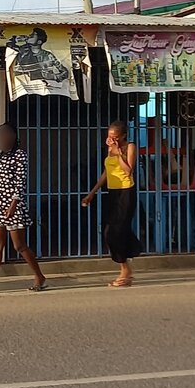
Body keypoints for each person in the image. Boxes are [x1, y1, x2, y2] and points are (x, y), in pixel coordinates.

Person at [0, 123, 47, 294]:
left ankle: (40, 276)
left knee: (19, 245)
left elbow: (21, 182)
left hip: (14, 204)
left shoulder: (20, 155)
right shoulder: (1, 156)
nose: (1, 139)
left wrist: (13, 205)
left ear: (13, 137)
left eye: (5, 135)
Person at [82, 120, 142, 287]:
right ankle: (127, 264)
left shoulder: (130, 147)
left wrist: (117, 153)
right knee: (110, 230)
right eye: (109, 136)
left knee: (116, 230)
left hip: (126, 192)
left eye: (115, 137)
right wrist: (92, 193)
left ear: (122, 136)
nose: (111, 139)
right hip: (113, 192)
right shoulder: (110, 150)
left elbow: (128, 170)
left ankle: (125, 270)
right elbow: (106, 174)